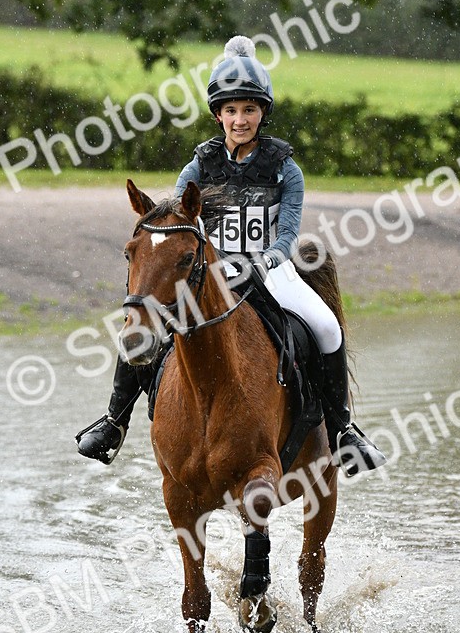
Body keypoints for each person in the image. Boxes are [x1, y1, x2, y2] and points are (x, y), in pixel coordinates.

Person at [76, 36, 386, 477]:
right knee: (144, 324)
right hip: (211, 275)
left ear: (263, 112)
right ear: (218, 114)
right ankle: (114, 422)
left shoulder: (286, 169)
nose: (240, 120)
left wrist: (263, 262)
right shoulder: (198, 167)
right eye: (232, 110)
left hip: (270, 271)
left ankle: (343, 431)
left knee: (325, 326)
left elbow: (288, 236)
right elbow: (181, 228)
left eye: (249, 110)